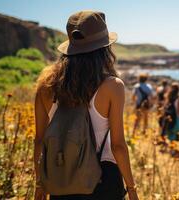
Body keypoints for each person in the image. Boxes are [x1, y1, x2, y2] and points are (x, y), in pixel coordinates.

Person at [34, 11, 138, 200]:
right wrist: (131, 188)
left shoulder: (45, 85)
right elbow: (118, 146)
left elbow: (39, 141)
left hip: (60, 179)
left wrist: (40, 183)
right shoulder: (112, 86)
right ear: (105, 48)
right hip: (103, 180)